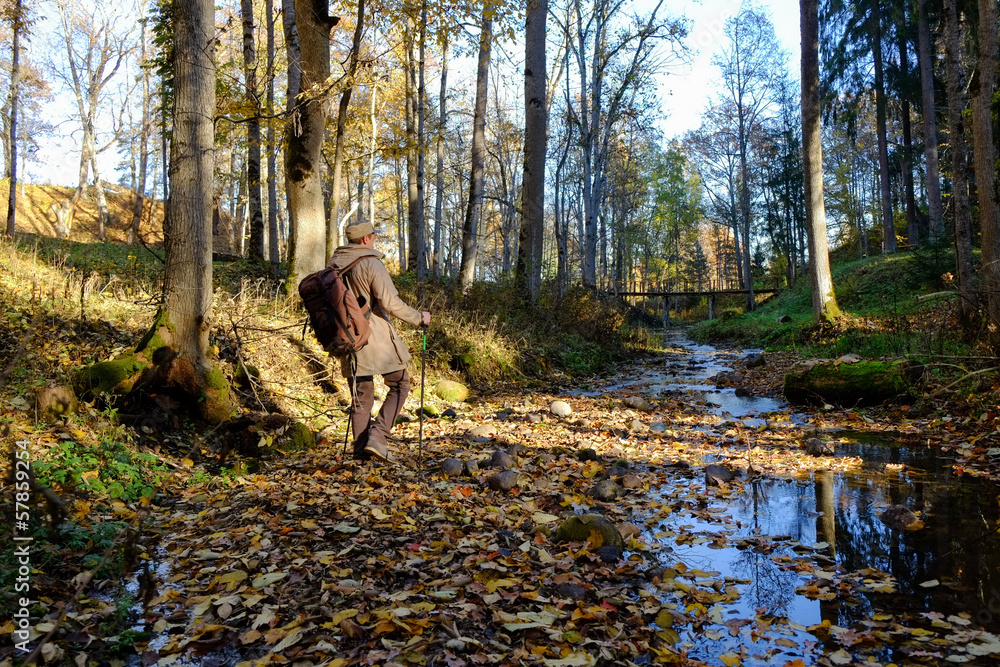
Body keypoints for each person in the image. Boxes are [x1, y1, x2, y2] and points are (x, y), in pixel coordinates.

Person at [328, 220, 430, 462]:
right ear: (365, 239)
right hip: (374, 338)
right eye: (373, 236)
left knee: (362, 396)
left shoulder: (333, 266)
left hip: (346, 338)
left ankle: (361, 457)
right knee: (400, 384)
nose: (374, 240)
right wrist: (420, 318)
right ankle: (378, 437)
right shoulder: (371, 263)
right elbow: (390, 303)